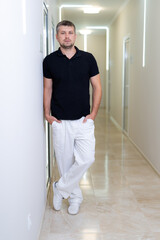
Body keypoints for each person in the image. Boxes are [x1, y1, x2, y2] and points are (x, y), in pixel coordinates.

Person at [43, 20, 102, 215]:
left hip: (84, 121)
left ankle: (60, 187)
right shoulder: (49, 61)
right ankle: (75, 198)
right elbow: (47, 88)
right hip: (60, 122)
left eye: (70, 32)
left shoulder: (88, 59)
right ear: (57, 36)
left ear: (75, 36)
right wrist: (47, 114)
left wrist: (93, 114)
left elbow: (97, 87)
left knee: (87, 159)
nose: (67, 36)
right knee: (65, 163)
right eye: (62, 33)